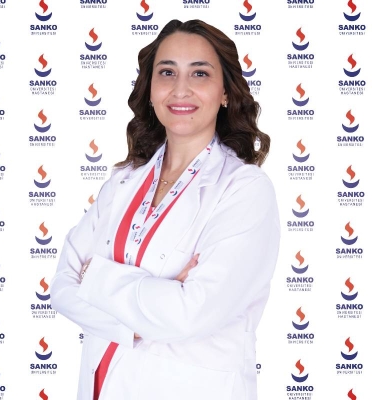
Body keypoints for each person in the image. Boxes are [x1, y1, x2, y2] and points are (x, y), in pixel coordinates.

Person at [51, 19, 280, 400]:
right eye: (167, 72)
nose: (180, 89)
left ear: (225, 92)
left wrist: (96, 278)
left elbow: (191, 314)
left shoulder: (245, 190)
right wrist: (154, 304)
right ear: (151, 90)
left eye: (200, 73)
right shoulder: (124, 182)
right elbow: (62, 287)